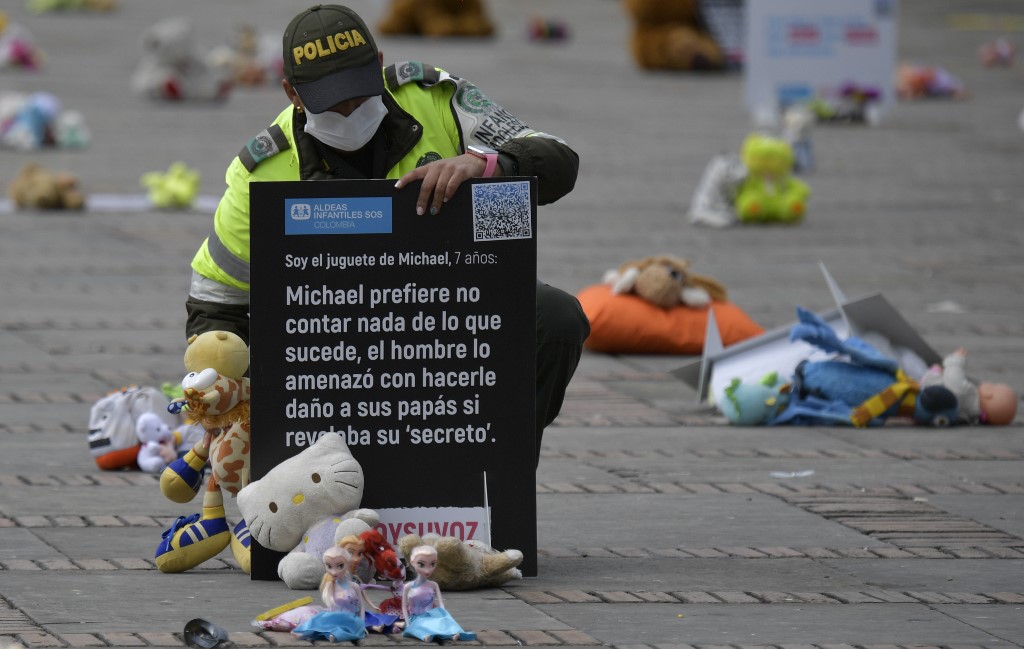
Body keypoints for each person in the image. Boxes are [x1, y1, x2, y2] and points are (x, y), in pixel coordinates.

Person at [185, 4, 589, 465]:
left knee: (553, 317)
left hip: (451, 319)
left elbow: (558, 160)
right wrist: (223, 389)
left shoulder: (434, 97)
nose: (349, 112)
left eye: (358, 94)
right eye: (331, 102)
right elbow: (215, 303)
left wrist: (486, 166)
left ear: (378, 65)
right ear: (291, 94)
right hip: (330, 348)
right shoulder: (262, 170)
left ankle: (495, 479)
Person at [291, 544, 367, 643]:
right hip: (334, 617)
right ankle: (306, 632)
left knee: (340, 623)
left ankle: (335, 636)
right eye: (329, 566)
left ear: (347, 564)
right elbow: (331, 608)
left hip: (350, 619)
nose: (334, 572)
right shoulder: (329, 586)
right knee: (321, 617)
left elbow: (362, 606)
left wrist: (362, 623)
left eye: (340, 566)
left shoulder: (354, 586)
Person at [401, 544, 475, 643]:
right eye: (421, 564)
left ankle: (452, 635)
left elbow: (441, 604)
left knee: (440, 622)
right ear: (412, 562)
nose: (428, 569)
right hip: (416, 617)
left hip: (431, 615)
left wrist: (444, 615)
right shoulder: (408, 586)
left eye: (432, 564)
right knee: (420, 626)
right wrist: (407, 622)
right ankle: (426, 635)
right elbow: (404, 607)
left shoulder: (433, 585)